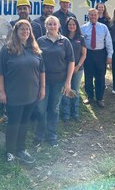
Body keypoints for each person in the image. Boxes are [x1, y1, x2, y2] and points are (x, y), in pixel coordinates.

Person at [0, 20, 45, 164]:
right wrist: (1, 92)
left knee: (24, 123)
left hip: (31, 95)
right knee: (14, 124)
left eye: (27, 30)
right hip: (14, 95)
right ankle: (10, 152)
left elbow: (42, 71)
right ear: (16, 32)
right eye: (22, 29)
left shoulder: (35, 49)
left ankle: (21, 149)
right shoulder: (7, 50)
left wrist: (42, 89)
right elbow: (0, 73)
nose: (25, 32)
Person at [34, 16, 75, 147]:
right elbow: (35, 61)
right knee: (41, 109)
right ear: (46, 26)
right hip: (42, 82)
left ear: (58, 26)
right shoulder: (40, 41)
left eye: (54, 24)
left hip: (59, 82)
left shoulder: (65, 41)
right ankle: (39, 136)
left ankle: (51, 136)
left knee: (54, 109)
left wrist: (68, 82)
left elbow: (71, 61)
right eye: (49, 24)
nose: (52, 26)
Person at [81, 8, 113, 108]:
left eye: (95, 15)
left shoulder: (103, 27)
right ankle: (90, 97)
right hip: (88, 54)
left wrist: (109, 55)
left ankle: (99, 98)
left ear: (98, 16)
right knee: (88, 76)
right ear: (88, 16)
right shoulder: (83, 28)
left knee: (100, 77)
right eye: (91, 15)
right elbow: (81, 44)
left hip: (100, 54)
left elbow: (108, 42)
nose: (93, 16)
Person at [61, 17, 87, 121]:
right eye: (69, 25)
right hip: (65, 69)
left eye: (74, 25)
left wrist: (78, 66)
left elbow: (84, 54)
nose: (72, 26)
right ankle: (66, 114)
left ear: (76, 26)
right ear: (67, 26)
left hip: (78, 69)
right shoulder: (62, 38)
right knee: (66, 90)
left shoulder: (80, 38)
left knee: (75, 90)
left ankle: (75, 113)